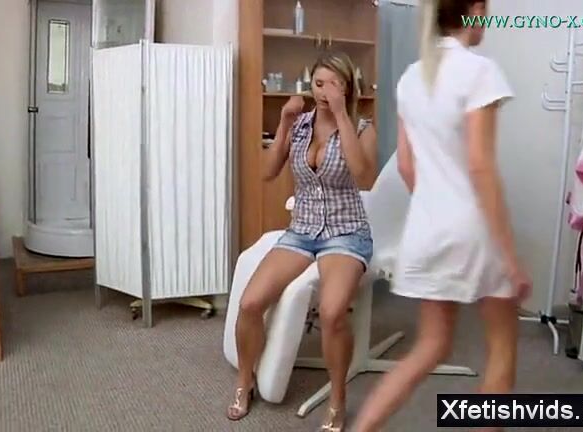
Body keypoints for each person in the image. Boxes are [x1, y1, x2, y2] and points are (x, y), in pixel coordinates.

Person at [352, 0, 532, 431]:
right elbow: (481, 167)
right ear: (475, 10)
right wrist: (510, 257)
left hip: (427, 227)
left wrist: (438, 205)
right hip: (472, 227)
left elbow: (407, 166)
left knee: (430, 346)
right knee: (502, 349)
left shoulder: (412, 78)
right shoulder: (480, 71)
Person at [227, 51, 378, 431]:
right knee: (250, 302)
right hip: (302, 231)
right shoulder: (299, 125)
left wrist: (342, 116)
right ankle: (245, 382)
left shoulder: (362, 128)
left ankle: (338, 401)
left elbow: (364, 178)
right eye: (319, 83)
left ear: (348, 88)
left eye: (335, 84)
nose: (325, 92)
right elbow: (267, 172)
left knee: (331, 312)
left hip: (345, 232)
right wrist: (283, 123)